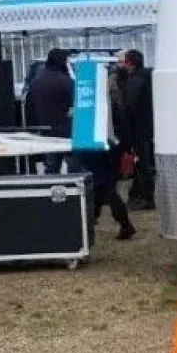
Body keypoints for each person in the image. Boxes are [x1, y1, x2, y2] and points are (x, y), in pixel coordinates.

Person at [74, 70, 136, 240]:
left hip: (96, 148)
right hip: (110, 148)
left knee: (104, 188)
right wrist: (125, 147)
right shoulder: (113, 104)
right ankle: (93, 224)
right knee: (102, 188)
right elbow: (124, 128)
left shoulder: (88, 105)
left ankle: (121, 224)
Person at [28, 48, 76, 174]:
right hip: (65, 128)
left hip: (44, 128)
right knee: (73, 163)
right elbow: (76, 103)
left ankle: (50, 187)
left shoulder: (36, 81)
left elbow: (29, 106)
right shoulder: (66, 81)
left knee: (51, 165)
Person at [119, 49, 156, 210]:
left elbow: (129, 107)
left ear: (130, 63)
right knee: (144, 163)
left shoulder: (135, 81)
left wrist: (125, 128)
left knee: (142, 163)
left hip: (138, 128)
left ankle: (145, 198)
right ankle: (141, 195)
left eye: (124, 62)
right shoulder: (148, 77)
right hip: (148, 126)